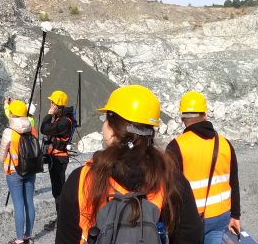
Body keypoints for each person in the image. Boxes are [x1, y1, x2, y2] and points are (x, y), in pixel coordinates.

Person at [55, 85, 203, 244]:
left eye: (106, 119)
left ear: (113, 129)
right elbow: (190, 237)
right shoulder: (171, 179)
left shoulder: (82, 180)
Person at [165, 91, 241, 244]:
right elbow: (234, 183)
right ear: (205, 115)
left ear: (183, 118)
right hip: (221, 216)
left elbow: (168, 189)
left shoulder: (177, 146)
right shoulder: (225, 143)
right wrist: (235, 215)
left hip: (189, 220)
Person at [1, 99, 38, 244]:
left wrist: (4, 162)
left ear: (11, 114)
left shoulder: (9, 132)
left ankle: (19, 240)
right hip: (31, 170)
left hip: (14, 172)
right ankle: (28, 236)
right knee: (29, 202)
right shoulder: (32, 129)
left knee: (18, 205)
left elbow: (3, 153)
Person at [41, 90, 76, 203]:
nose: (50, 104)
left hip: (59, 159)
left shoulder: (64, 121)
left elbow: (44, 129)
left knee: (59, 190)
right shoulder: (61, 118)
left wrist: (49, 114)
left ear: (55, 104)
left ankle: (61, 218)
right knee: (57, 190)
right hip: (56, 158)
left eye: (52, 102)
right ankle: (60, 216)